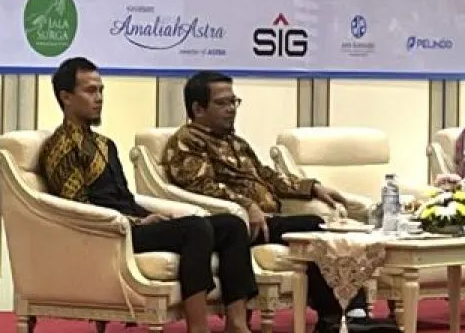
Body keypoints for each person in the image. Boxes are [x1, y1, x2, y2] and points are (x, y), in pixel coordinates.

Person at [39, 57, 258, 333]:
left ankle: (237, 325)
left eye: (101, 90)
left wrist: (150, 216)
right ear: (66, 97)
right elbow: (79, 210)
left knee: (231, 225)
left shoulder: (105, 144)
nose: (99, 98)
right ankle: (198, 328)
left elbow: (124, 198)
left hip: (132, 224)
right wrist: (137, 222)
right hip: (109, 235)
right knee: (195, 228)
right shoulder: (60, 148)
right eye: (90, 91)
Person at [162, 71, 370, 333]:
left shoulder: (236, 142)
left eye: (234, 102)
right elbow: (200, 185)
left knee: (323, 229)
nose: (231, 109)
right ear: (198, 109)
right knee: (314, 228)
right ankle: (338, 314)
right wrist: (247, 205)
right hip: (232, 225)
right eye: (222, 103)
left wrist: (312, 187)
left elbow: (265, 176)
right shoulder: (187, 141)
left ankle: (345, 313)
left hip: (267, 219)